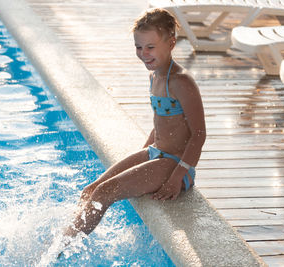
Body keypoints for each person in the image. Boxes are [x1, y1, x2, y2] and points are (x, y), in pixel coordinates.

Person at [63, 8, 206, 240]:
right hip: (155, 154)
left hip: (175, 165)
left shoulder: (181, 82)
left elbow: (198, 134)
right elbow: (162, 122)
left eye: (150, 47)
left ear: (171, 43)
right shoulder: (154, 76)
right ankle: (64, 235)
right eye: (139, 47)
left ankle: (59, 250)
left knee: (103, 193)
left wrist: (178, 176)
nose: (144, 53)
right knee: (91, 188)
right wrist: (143, 154)